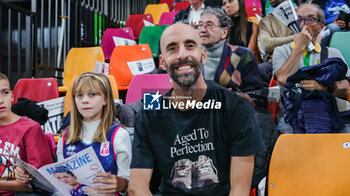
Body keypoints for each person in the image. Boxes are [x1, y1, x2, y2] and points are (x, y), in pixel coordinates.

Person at [128, 23, 265, 196]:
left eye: (190, 45)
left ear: (203, 55)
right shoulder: (148, 113)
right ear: (162, 62)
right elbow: (137, 187)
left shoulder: (236, 108)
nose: (182, 54)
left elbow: (240, 190)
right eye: (172, 48)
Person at [17, 72, 132, 195]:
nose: (85, 100)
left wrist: (122, 184)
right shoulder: (65, 136)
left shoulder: (119, 135)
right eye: (79, 95)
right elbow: (62, 185)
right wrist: (29, 178)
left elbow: (129, 185)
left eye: (92, 94)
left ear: (105, 99)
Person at [273, 3, 350, 133]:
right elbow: (282, 79)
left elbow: (346, 88)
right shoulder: (281, 51)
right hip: (292, 112)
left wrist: (325, 87)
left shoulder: (332, 53)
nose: (303, 24)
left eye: (309, 19)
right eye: (299, 19)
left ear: (321, 26)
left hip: (328, 109)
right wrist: (299, 47)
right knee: (286, 135)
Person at [0, 73, 53, 196]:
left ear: (12, 96)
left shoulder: (30, 128)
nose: (1, 100)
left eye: (5, 92)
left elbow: (42, 183)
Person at [258, 0, 296, 86]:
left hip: (300, 58)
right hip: (273, 61)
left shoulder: (301, 14)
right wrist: (294, 38)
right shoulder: (265, 21)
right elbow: (266, 45)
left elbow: (309, 37)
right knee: (259, 70)